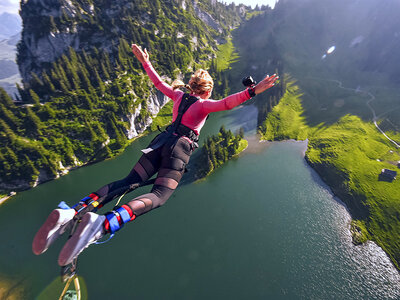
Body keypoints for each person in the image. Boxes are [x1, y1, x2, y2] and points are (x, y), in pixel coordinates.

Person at [32, 44, 278, 266]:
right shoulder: (203, 105)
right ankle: (102, 224)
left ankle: (72, 212)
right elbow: (226, 103)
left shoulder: (179, 96)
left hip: (159, 142)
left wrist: (145, 62)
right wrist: (253, 91)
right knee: (159, 195)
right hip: (179, 149)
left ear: (191, 85)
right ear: (206, 91)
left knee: (127, 182)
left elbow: (158, 83)